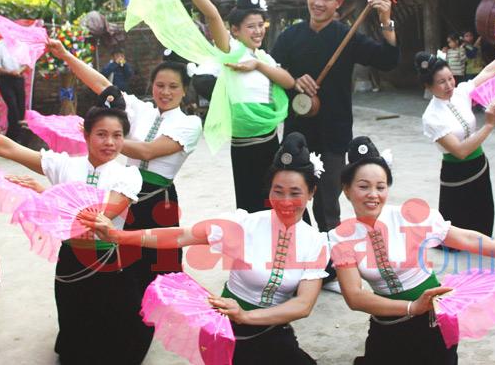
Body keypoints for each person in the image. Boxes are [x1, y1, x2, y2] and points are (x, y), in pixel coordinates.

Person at [0, 91, 150, 363]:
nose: (109, 142)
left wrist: (43, 193)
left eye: (117, 135)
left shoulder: (128, 176)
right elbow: (6, 147)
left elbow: (98, 217)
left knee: (119, 344)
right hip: (71, 259)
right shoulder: (64, 165)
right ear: (85, 136)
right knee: (76, 340)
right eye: (101, 134)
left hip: (110, 262)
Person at [79, 132, 328, 365]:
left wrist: (246, 315)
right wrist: (119, 236)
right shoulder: (244, 224)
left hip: (273, 329)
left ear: (311, 193)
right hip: (227, 327)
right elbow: (181, 235)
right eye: (278, 191)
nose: (285, 201)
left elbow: (303, 305)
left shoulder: (315, 242)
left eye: (295, 193)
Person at [330, 136, 495, 364]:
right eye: (363, 186)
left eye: (381, 186)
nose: (373, 194)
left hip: (433, 316)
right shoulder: (341, 238)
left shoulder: (409, 216)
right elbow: (355, 297)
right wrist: (411, 307)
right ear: (346, 190)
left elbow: (467, 239)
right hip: (386, 322)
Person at [49, 39, 201, 338]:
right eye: (160, 85)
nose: (165, 92)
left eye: (173, 87)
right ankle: (125, 319)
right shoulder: (140, 110)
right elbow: (102, 84)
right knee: (125, 262)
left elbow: (147, 151)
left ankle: (159, 317)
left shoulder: (190, 123)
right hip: (121, 194)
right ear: (152, 85)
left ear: (184, 90)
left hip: (157, 199)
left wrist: (102, 138)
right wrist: (65, 55)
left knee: (160, 259)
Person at [156, 0, 296, 212]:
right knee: (250, 209)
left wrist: (258, 65)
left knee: (279, 205)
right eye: (250, 26)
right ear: (235, 30)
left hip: (270, 142)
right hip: (243, 147)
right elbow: (211, 14)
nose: (257, 31)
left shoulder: (264, 57)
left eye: (260, 25)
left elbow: (288, 82)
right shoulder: (230, 50)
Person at [271, 0, 400, 232]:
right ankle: (300, 246)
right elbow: (272, 73)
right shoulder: (289, 37)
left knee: (328, 201)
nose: (318, 3)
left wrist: (386, 20)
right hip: (297, 131)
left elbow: (388, 60)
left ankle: (332, 256)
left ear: (338, 3)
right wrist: (293, 80)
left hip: (334, 132)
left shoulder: (347, 36)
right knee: (292, 195)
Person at [418, 25, 495, 237]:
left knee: (483, 224)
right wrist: (489, 125)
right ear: (429, 87)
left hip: (480, 165)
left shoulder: (461, 92)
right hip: (456, 173)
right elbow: (460, 151)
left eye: (450, 78)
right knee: (458, 233)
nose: (449, 85)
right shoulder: (431, 117)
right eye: (441, 82)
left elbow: (488, 71)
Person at [0, 39, 28, 142]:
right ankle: (13, 137)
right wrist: (9, 72)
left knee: (20, 108)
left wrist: (19, 71)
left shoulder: (22, 45)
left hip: (18, 78)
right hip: (4, 79)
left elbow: (25, 64)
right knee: (12, 106)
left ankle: (15, 136)